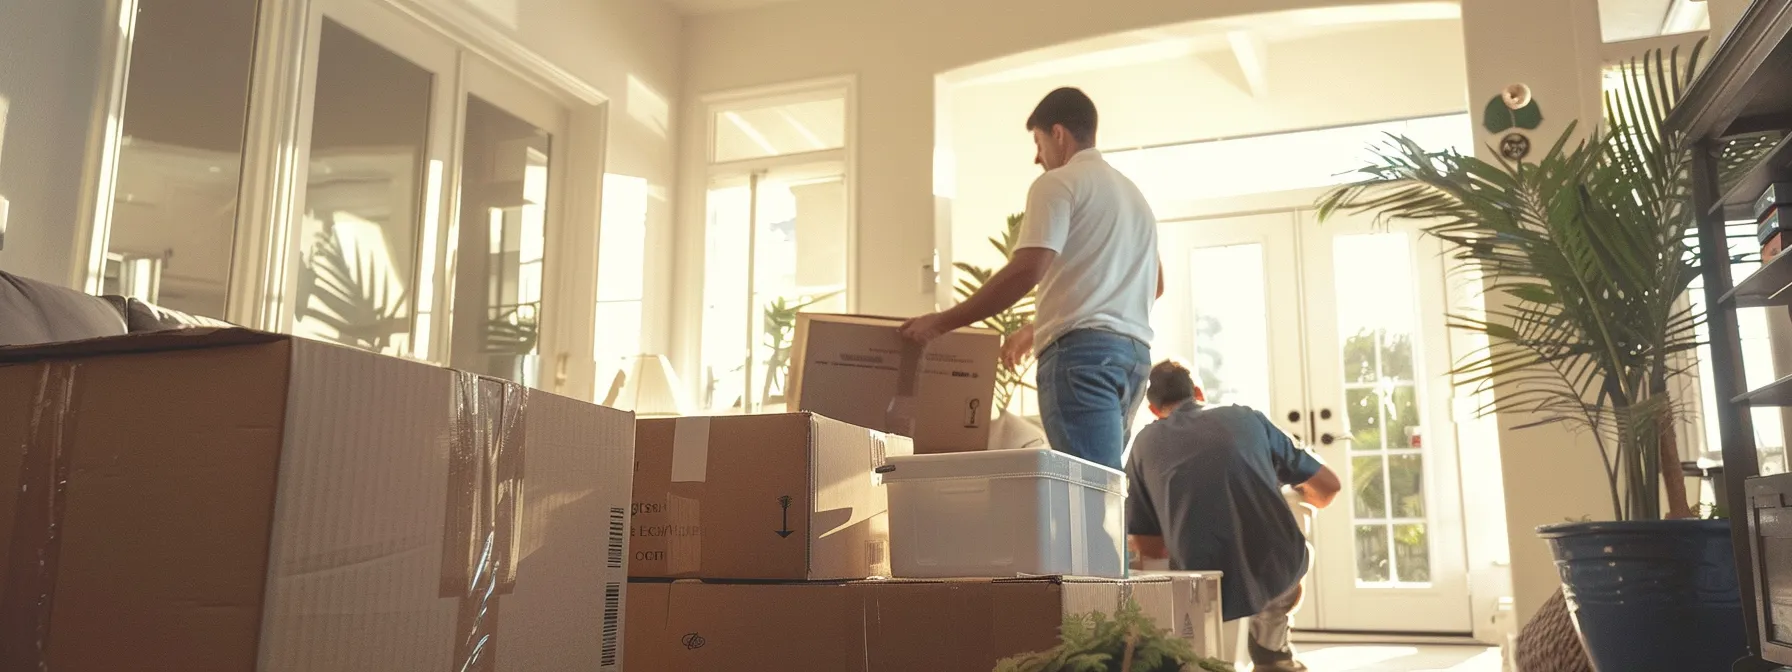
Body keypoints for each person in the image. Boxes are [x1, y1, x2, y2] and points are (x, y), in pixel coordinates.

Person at [899, 87, 1162, 470]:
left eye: (1038, 142)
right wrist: (1036, 328)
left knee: (1088, 493)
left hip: (1081, 359)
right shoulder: (1134, 196)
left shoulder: (1058, 183)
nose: (1037, 157)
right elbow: (1156, 285)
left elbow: (1027, 269)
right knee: (1102, 486)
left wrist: (939, 323)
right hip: (1133, 358)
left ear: (1058, 134)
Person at [1126, 360, 1342, 672]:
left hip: (1199, 584)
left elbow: (1151, 549)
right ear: (1199, 392)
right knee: (1295, 526)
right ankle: (1272, 651)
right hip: (1275, 569)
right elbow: (1328, 488)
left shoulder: (1144, 442)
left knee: (1167, 559)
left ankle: (1208, 652)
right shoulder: (1245, 417)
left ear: (1153, 409)